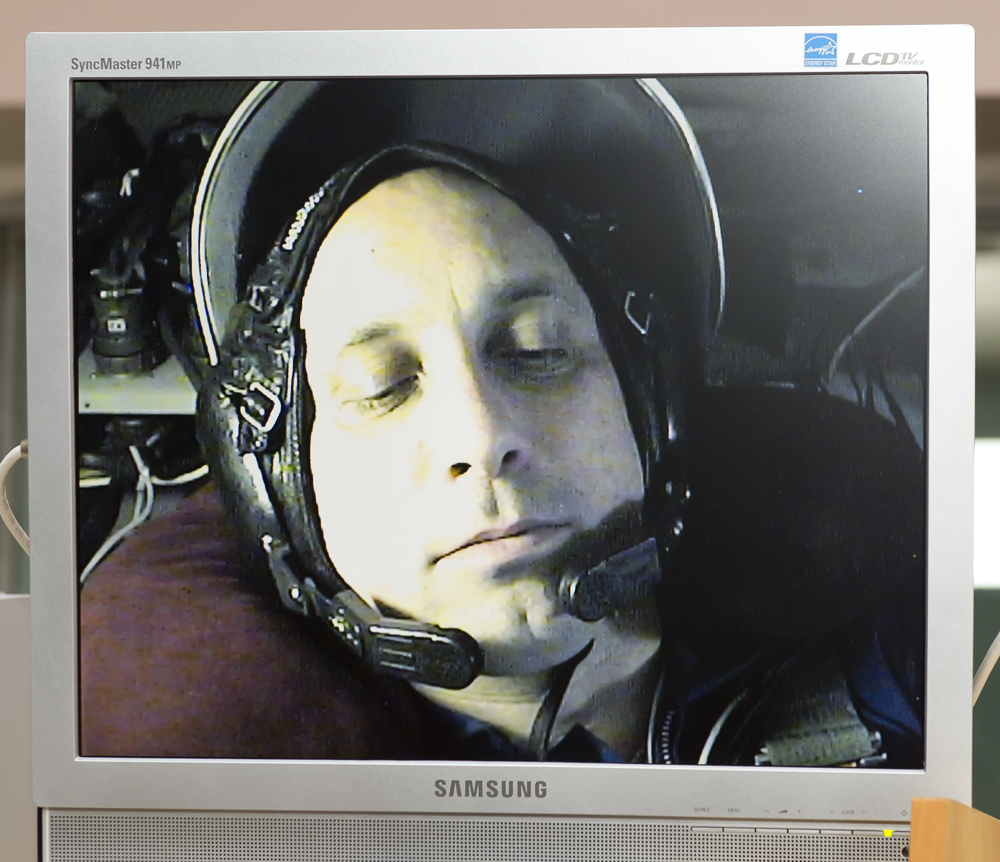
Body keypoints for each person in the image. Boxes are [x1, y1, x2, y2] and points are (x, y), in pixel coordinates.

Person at [81, 80, 926, 766]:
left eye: (538, 349)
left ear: (652, 402)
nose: (480, 436)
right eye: (381, 386)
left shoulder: (909, 660)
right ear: (275, 487)